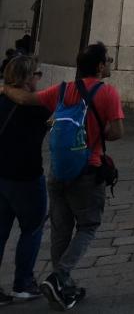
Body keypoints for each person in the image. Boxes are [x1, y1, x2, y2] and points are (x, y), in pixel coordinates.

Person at [2, 42, 124, 311]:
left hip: (57, 172)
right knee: (89, 226)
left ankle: (62, 286)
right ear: (100, 65)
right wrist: (97, 131)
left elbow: (25, 99)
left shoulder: (61, 90)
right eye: (108, 60)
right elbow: (117, 132)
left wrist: (4, 87)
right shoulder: (108, 93)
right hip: (86, 169)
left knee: (60, 229)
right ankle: (59, 276)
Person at [0, 56, 50, 304]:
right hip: (26, 176)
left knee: (0, 231)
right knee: (32, 228)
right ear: (28, 78)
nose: (40, 79)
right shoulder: (37, 107)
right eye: (37, 74)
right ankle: (23, 283)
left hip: (1, 173)